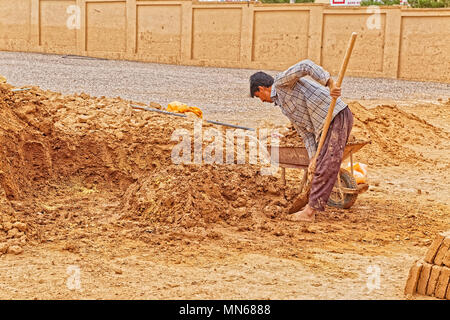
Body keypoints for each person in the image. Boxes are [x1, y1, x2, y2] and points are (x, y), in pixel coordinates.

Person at [249, 59, 354, 222]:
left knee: (327, 165)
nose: (262, 100)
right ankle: (311, 207)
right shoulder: (283, 106)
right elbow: (306, 133)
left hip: (336, 115)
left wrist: (330, 83)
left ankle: (309, 212)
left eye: (259, 96)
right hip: (323, 128)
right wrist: (313, 158)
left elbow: (305, 65)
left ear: (262, 88)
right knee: (321, 165)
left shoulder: (282, 82)